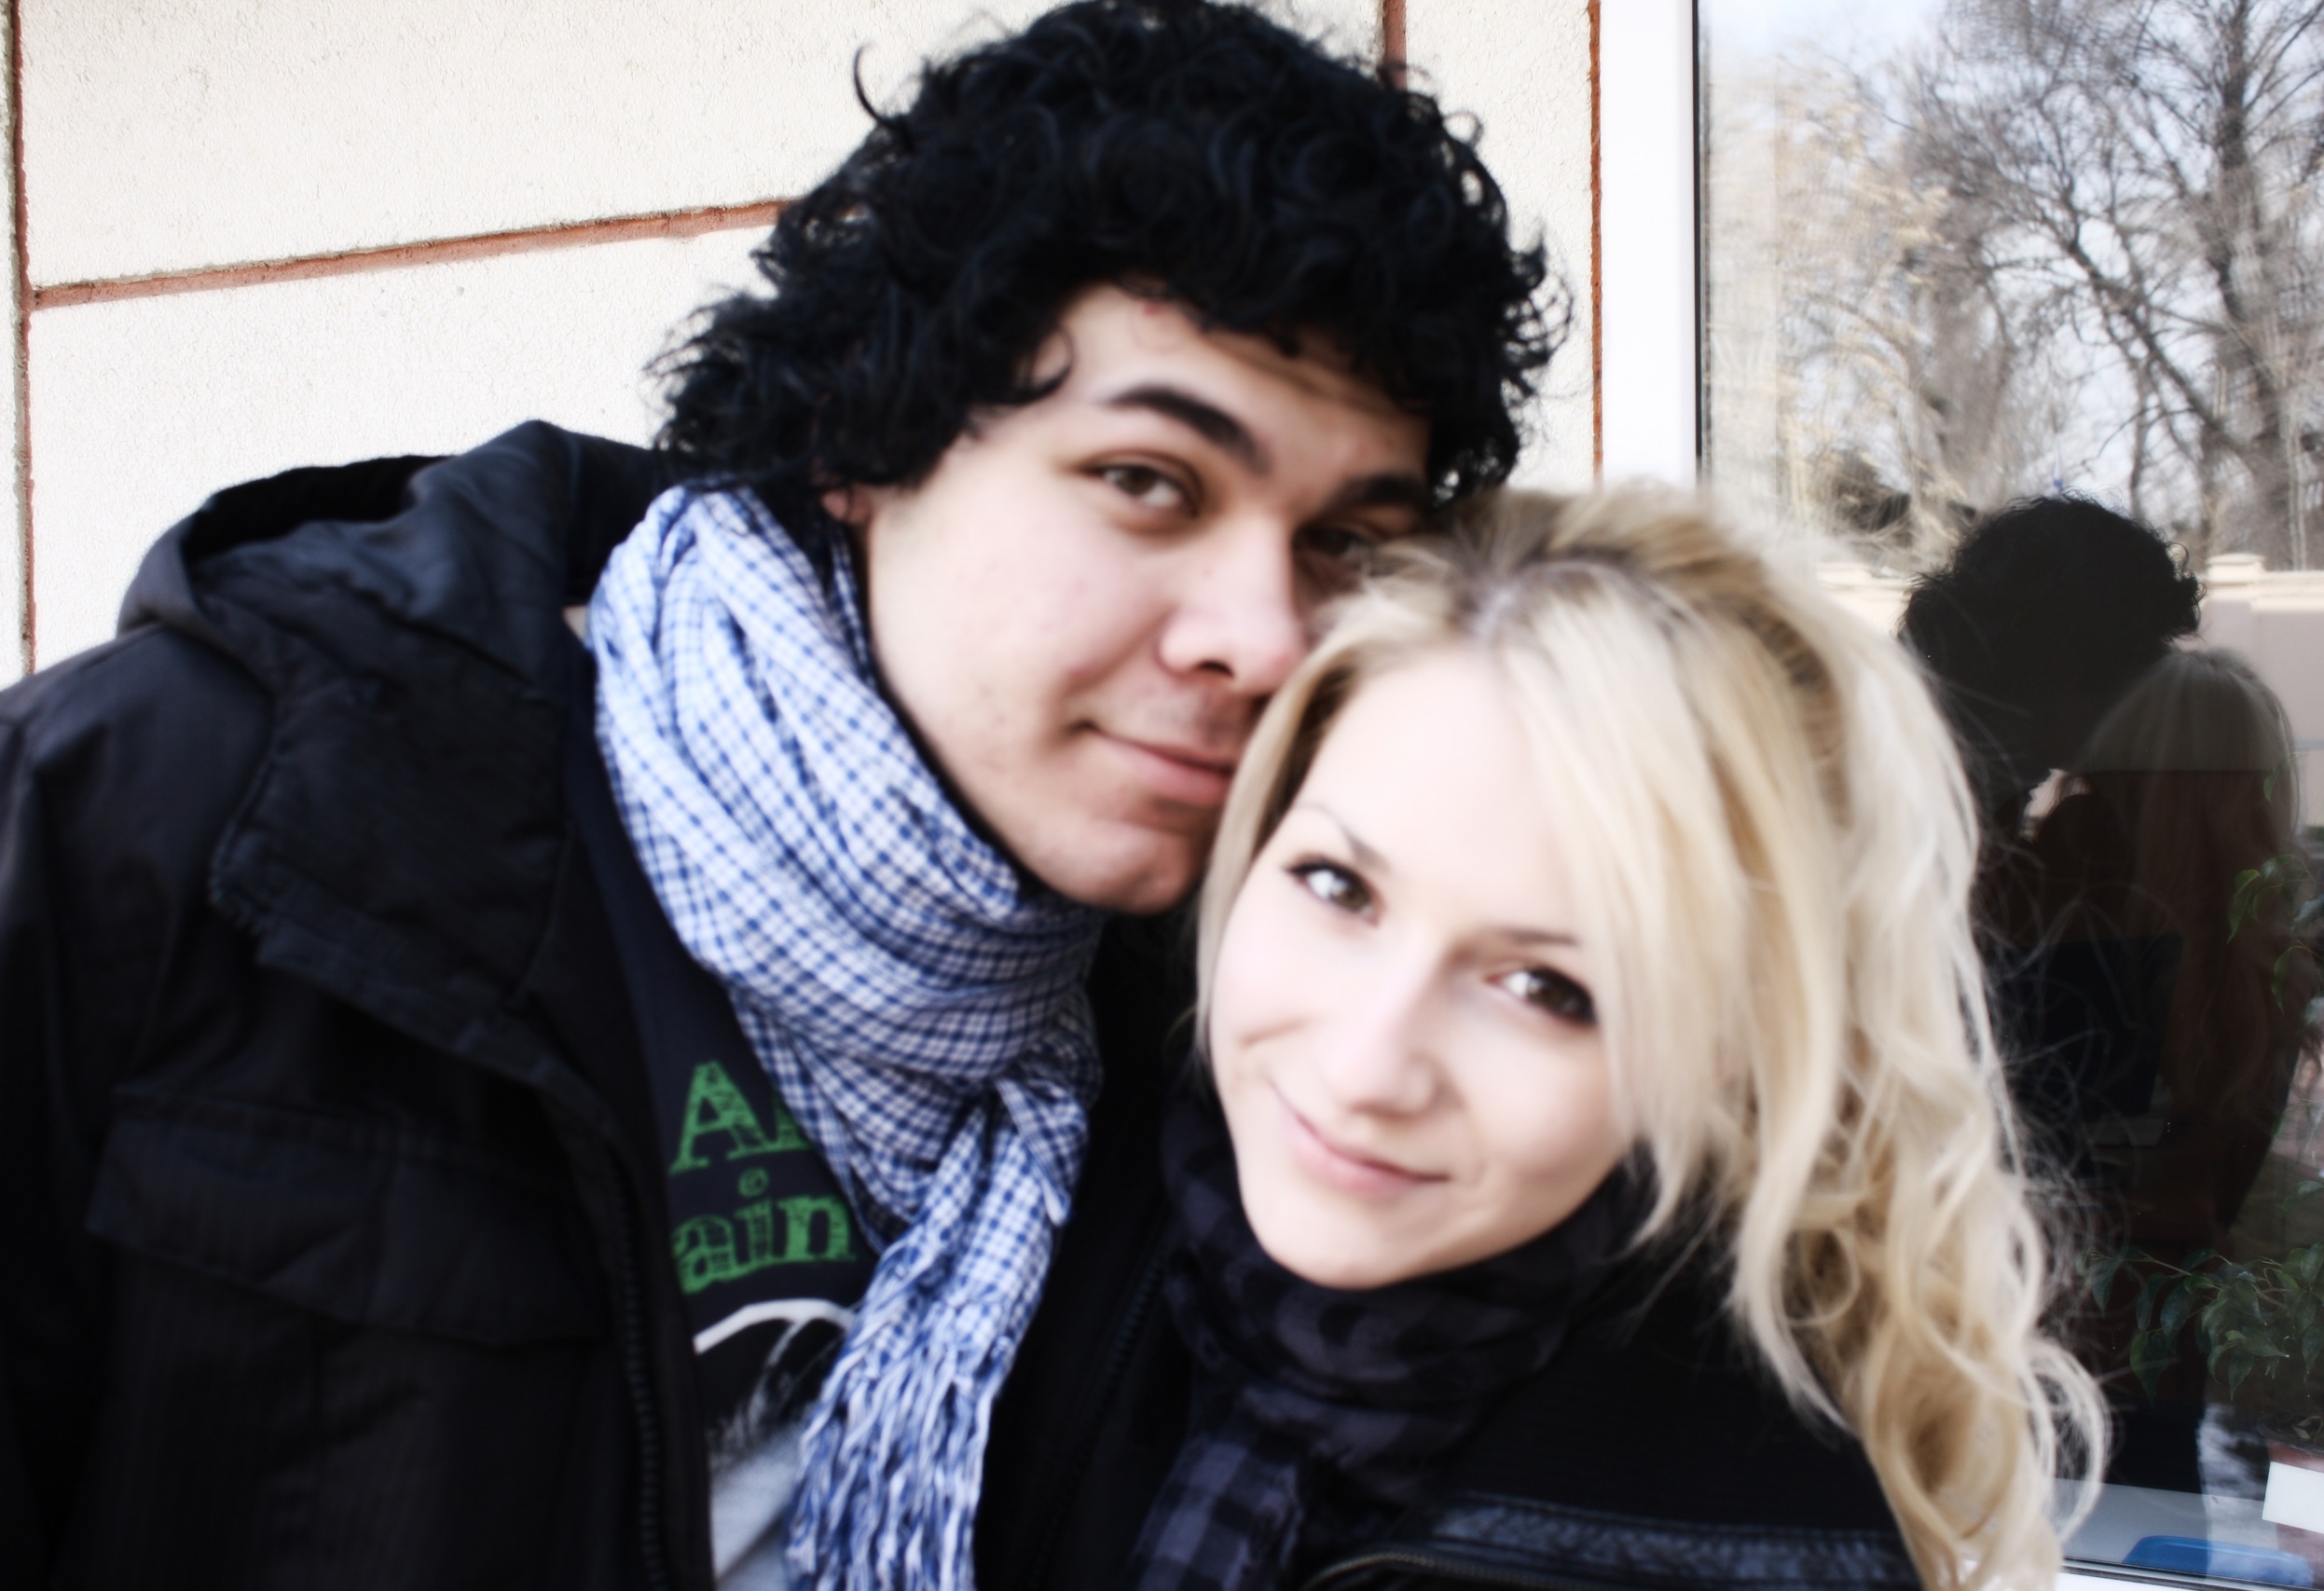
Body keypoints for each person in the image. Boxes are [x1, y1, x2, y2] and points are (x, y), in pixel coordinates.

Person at [0, 4, 1557, 1588]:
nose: (1266, 637)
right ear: (860, 438)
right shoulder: (181, 815)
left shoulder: (1260, 1032)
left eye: (1341, 543)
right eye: (1149, 483)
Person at [1002, 487, 2107, 1591]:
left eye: (1546, 989)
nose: (1364, 1067)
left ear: (1720, 1053)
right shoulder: (990, 1245)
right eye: (1337, 886)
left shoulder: (1760, 1544)